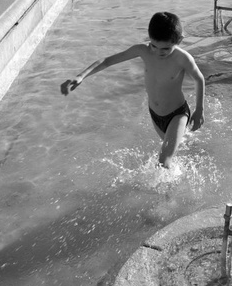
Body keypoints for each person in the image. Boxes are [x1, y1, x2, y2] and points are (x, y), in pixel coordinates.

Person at [60, 12, 205, 169]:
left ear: (179, 40)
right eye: (154, 46)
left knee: (163, 161)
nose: (158, 52)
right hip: (156, 115)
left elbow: (199, 79)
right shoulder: (142, 50)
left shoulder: (182, 58)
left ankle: (174, 183)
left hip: (177, 114)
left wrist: (199, 110)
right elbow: (107, 61)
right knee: (177, 150)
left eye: (165, 49)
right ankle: (193, 154)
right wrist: (81, 76)